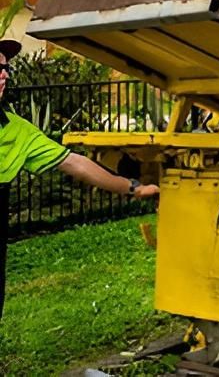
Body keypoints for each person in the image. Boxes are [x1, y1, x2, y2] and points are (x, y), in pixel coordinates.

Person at [0, 38, 159, 320]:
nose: (4, 75)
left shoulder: (16, 130)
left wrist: (133, 188)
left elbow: (75, 163)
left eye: (6, 69)